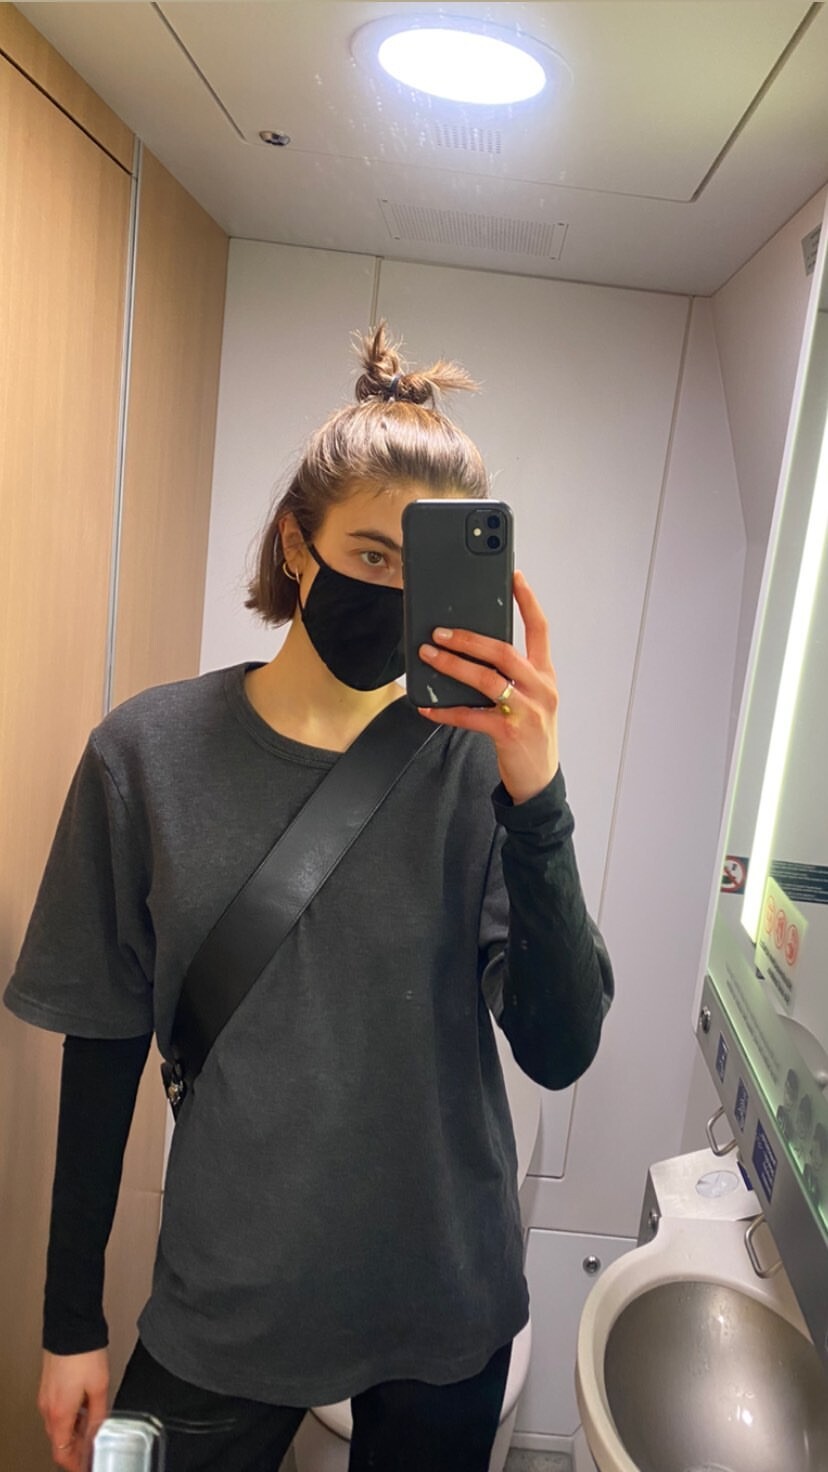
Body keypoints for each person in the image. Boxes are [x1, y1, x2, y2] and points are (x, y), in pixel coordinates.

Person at [4, 323, 614, 1472]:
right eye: (373, 553)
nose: (396, 592)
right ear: (297, 542)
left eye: (424, 568)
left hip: (444, 1299)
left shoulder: (480, 768)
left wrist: (539, 796)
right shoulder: (145, 755)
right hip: (227, 1294)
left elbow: (560, 1044)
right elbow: (103, 1043)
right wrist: (70, 1322)